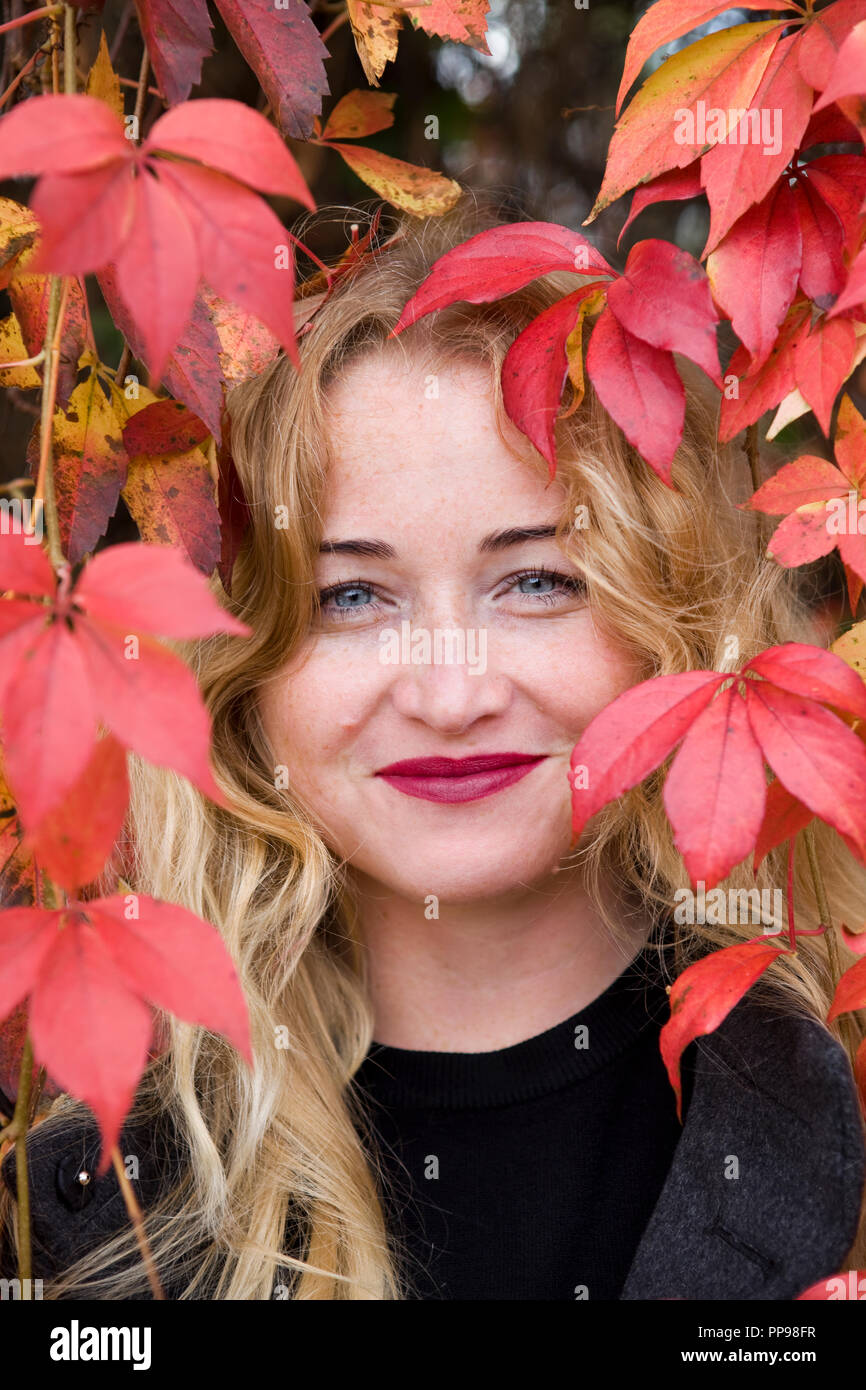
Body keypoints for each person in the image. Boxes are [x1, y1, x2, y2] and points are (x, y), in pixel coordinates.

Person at [1, 193, 865, 1301]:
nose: (450, 693)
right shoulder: (92, 1221)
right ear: (241, 672)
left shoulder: (828, 1079)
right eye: (351, 595)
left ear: (678, 626)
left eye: (537, 581)